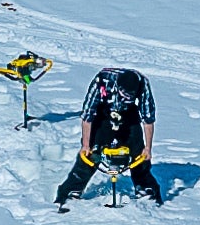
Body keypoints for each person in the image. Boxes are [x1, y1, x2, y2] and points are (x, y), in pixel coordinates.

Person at [54, 66, 165, 207]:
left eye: (131, 95)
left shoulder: (142, 84)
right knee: (91, 153)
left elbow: (148, 120)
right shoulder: (102, 80)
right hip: (104, 112)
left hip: (129, 114)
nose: (128, 98)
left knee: (139, 153)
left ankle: (146, 190)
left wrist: (148, 148)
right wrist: (86, 145)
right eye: (124, 94)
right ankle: (70, 191)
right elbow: (88, 116)